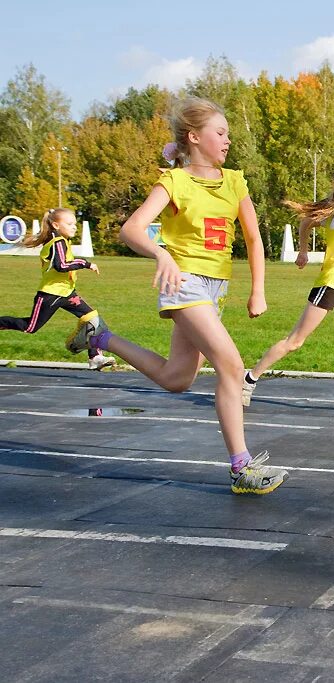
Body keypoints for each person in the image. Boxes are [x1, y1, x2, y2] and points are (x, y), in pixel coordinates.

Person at [65, 96, 287, 494]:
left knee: (176, 379)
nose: (227, 140)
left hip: (215, 288)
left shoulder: (235, 180)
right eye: (220, 133)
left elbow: (254, 239)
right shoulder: (173, 181)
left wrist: (258, 291)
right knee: (231, 366)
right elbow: (131, 229)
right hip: (184, 282)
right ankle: (242, 467)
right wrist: (160, 253)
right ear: (194, 137)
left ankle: (100, 337)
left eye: (228, 134)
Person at [241, 179, 334, 407]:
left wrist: (303, 252)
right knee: (293, 342)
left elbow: (305, 222)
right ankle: (249, 380)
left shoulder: (333, 218)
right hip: (328, 289)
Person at [0, 207, 116, 370]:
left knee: (92, 318)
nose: (74, 227)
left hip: (67, 293)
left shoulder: (63, 241)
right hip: (50, 295)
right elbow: (61, 265)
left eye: (75, 223)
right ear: (55, 225)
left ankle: (95, 357)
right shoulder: (57, 242)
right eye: (69, 223)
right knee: (30, 327)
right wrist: (85, 263)